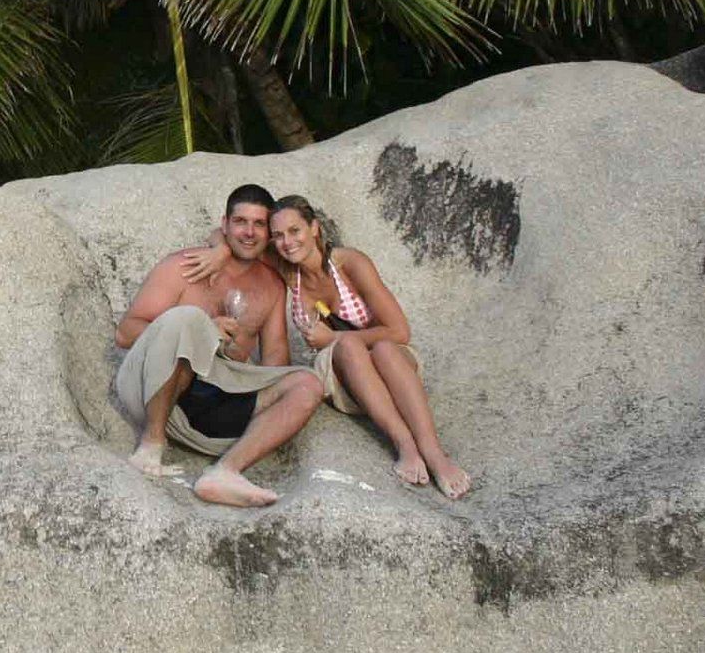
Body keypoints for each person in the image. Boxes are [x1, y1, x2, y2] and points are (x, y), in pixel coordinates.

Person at [113, 184, 325, 508]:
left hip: (215, 415)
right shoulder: (183, 266)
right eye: (241, 222)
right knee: (187, 319)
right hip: (158, 398)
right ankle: (151, 446)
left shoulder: (270, 286)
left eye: (258, 224)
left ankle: (225, 472)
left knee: (308, 383)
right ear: (224, 224)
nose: (249, 232)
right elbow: (125, 333)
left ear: (268, 233)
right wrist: (202, 331)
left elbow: (274, 363)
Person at [266, 195, 472, 499]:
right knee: (349, 347)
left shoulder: (349, 263)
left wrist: (331, 338)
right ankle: (405, 444)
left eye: (295, 231)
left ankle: (435, 453)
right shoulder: (286, 270)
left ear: (314, 228)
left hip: (390, 366)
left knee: (385, 348)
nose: (287, 242)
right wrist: (217, 251)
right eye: (278, 235)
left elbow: (399, 330)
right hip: (342, 375)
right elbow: (232, 237)